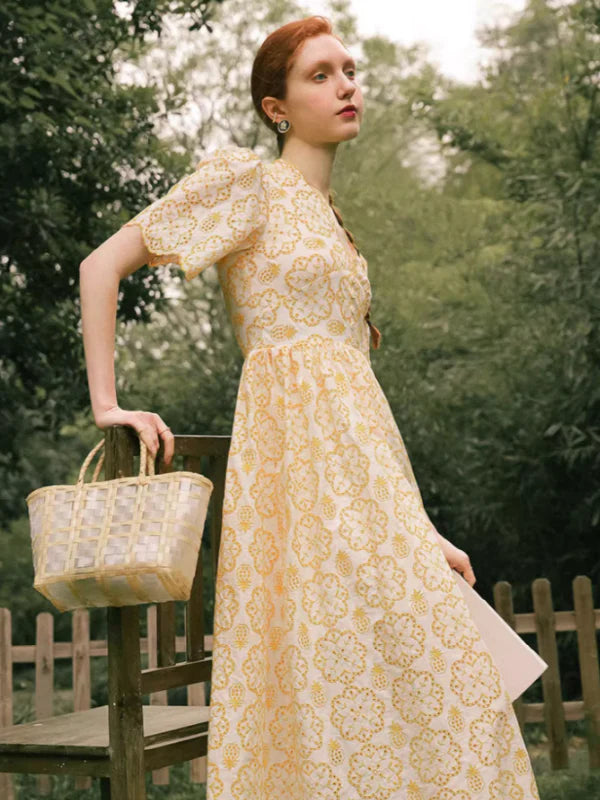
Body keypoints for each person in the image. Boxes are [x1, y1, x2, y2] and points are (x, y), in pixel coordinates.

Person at [79, 14, 541, 800]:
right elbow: (101, 266)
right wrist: (107, 404)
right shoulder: (248, 184)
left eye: (349, 70)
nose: (346, 85)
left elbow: (362, 405)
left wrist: (420, 528)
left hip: (364, 476)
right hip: (293, 470)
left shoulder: (335, 226)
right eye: (320, 74)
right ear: (276, 107)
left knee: (441, 660)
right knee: (333, 665)